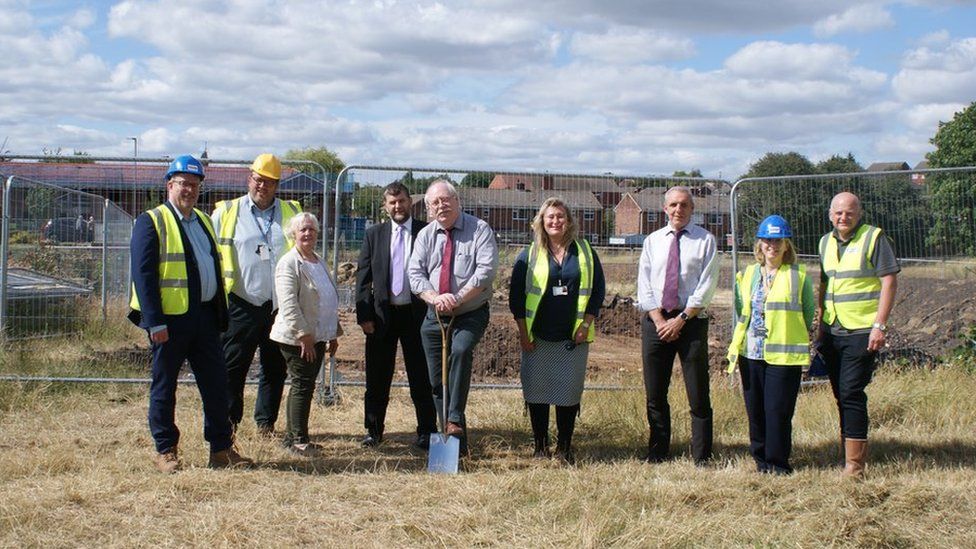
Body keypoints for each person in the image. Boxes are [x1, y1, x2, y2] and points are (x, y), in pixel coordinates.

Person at [128, 154, 252, 473]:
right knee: (165, 386)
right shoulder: (151, 221)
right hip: (170, 321)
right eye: (183, 183)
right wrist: (154, 321)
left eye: (195, 185)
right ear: (169, 185)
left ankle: (221, 449)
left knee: (216, 385)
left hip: (205, 318)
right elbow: (143, 275)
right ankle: (166, 450)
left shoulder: (203, 221)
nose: (189, 190)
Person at [212, 153, 302, 436]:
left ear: (277, 185)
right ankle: (229, 424)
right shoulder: (227, 212)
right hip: (241, 303)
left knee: (274, 368)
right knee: (232, 368)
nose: (262, 186)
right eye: (258, 180)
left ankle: (265, 423)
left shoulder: (291, 212)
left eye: (269, 182)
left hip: (278, 306)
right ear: (249, 178)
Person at [509, 197, 605, 464]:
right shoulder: (529, 254)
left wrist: (585, 325)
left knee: (568, 393)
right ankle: (540, 447)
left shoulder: (585, 252)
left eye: (560, 216)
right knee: (537, 392)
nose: (555, 221)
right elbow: (516, 299)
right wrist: (523, 333)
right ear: (541, 221)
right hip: (537, 338)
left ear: (569, 221)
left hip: (572, 338)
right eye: (550, 216)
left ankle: (564, 448)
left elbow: (597, 292)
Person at [408, 179, 498, 456]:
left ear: (457, 201)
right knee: (437, 380)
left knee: (460, 350)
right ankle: (454, 443)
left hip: (469, 312)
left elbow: (485, 272)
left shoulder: (479, 229)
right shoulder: (425, 235)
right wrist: (435, 297)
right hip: (434, 314)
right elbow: (415, 274)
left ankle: (454, 418)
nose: (441, 206)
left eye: (445, 199)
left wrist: (457, 298)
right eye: (435, 202)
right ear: (428, 208)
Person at [817, 191, 899, 477]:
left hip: (861, 330)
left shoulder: (873, 238)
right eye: (838, 213)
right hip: (832, 329)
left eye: (849, 212)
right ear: (830, 215)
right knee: (840, 393)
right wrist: (820, 325)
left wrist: (880, 325)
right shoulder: (825, 242)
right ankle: (848, 449)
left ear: (859, 214)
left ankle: (855, 466)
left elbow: (889, 281)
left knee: (851, 391)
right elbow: (825, 284)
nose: (844, 217)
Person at [637, 186, 719, 465]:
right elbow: (644, 284)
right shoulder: (653, 241)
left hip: (690, 323)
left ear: (692, 209)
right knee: (655, 393)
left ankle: (702, 456)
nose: (678, 210)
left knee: (698, 393)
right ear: (665, 209)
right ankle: (658, 451)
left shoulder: (705, 241)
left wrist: (681, 319)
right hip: (656, 323)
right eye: (673, 205)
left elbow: (706, 286)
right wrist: (660, 320)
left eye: (684, 205)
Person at [727, 215, 814, 474]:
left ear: (786, 245)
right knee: (755, 411)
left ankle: (778, 463)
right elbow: (741, 309)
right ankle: (761, 460)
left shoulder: (798, 276)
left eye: (778, 241)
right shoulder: (748, 275)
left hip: (783, 355)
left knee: (777, 411)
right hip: (751, 353)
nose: (772, 246)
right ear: (759, 244)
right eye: (767, 240)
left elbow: (807, 313)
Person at [355, 181, 438, 450]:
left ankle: (427, 431)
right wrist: (364, 315)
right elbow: (363, 278)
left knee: (421, 376)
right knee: (377, 377)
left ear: (410, 202)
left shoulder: (427, 231)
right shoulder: (374, 234)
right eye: (392, 202)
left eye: (401, 201)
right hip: (382, 317)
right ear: (385, 206)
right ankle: (373, 431)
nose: (398, 206)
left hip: (418, 316)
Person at [269, 212, 341, 456]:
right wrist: (303, 335)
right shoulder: (289, 263)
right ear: (293, 234)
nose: (308, 233)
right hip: (298, 339)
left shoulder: (318, 261)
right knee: (302, 384)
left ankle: (294, 436)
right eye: (303, 230)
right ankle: (298, 440)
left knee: (305, 384)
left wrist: (333, 333)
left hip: (318, 336)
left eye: (312, 229)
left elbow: (327, 298)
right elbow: (288, 304)